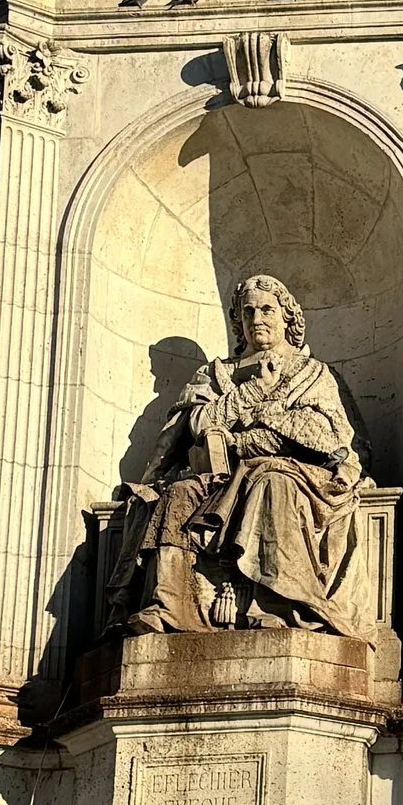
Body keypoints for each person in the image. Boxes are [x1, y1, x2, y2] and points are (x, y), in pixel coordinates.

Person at [107, 273, 368, 638]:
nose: (256, 318)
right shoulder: (215, 374)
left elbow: (331, 438)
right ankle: (167, 606)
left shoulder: (313, 374)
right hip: (219, 475)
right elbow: (197, 425)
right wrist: (254, 391)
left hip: (291, 474)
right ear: (238, 322)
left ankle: (276, 603)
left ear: (287, 317)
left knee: (271, 482)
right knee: (177, 495)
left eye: (266, 310)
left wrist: (253, 432)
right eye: (248, 312)